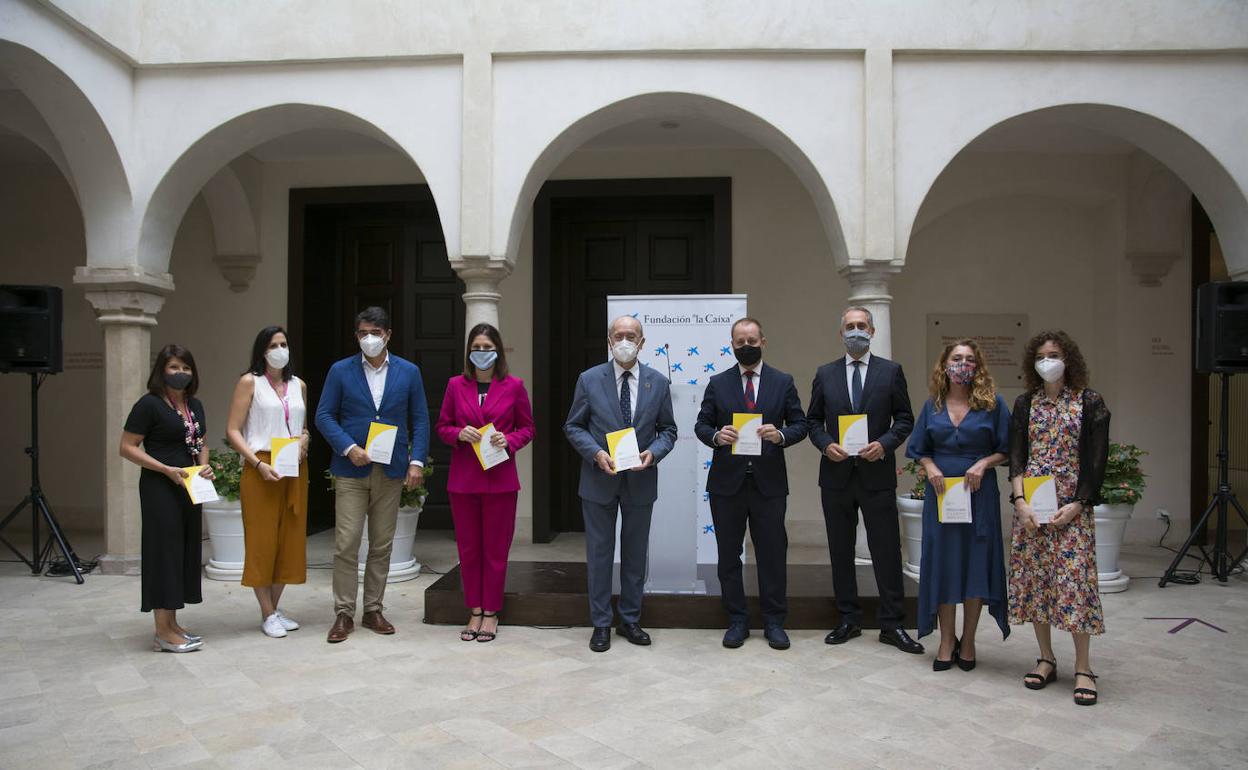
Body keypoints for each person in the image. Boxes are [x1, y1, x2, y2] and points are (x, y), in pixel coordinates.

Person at [807, 306, 923, 654]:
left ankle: (892, 623)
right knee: (841, 551)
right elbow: (812, 422)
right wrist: (826, 445)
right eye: (849, 326)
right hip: (836, 475)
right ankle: (848, 619)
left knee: (886, 549)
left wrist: (884, 444)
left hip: (876, 475)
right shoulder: (825, 374)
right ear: (840, 334)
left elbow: (904, 419)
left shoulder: (891, 372)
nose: (856, 331)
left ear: (872, 332)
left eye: (861, 326)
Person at [314, 306, 430, 643]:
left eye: (376, 334)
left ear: (388, 335)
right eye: (364, 333)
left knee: (381, 543)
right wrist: (348, 447)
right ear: (356, 335)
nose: (369, 339)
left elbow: (420, 419)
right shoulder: (340, 371)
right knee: (346, 542)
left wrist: (417, 462)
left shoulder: (408, 372)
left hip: (391, 468)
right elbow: (324, 415)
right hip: (351, 468)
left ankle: (374, 609)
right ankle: (343, 613)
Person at [564, 315, 677, 652]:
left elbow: (668, 430)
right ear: (609, 341)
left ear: (642, 343)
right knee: (599, 555)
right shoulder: (589, 379)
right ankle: (600, 623)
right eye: (619, 335)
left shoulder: (657, 382)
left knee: (634, 554)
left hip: (640, 481)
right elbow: (574, 426)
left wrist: (653, 454)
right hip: (600, 479)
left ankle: (630, 619)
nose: (625, 341)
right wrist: (596, 453)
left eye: (632, 335)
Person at [1008, 330, 1110, 706]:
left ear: (1069, 359)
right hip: (1033, 506)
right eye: (1040, 355)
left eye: (1054, 354)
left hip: (1071, 507)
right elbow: (1017, 455)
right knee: (1037, 582)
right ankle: (1046, 658)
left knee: (1075, 584)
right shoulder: (1025, 404)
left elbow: (1097, 460)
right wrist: (1020, 501)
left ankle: (1083, 667)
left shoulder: (1090, 402)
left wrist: (1079, 504)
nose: (1047, 361)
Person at [694, 317, 807, 650]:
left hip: (769, 483)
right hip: (726, 484)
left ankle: (774, 621)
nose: (746, 346)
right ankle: (737, 620)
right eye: (740, 341)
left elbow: (800, 423)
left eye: (752, 341)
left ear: (763, 342)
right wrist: (716, 435)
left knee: (772, 553)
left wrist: (781, 434)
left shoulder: (782, 382)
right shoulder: (718, 382)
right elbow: (702, 425)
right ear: (732, 344)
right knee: (729, 555)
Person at [905, 339, 1010, 671]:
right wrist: (931, 466)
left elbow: (1008, 449)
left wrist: (984, 463)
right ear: (945, 364)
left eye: (968, 359)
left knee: (975, 566)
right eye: (956, 358)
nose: (962, 364)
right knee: (945, 566)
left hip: (979, 496)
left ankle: (970, 640)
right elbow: (918, 448)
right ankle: (946, 640)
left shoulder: (993, 404)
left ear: (977, 366)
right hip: (941, 497)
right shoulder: (932, 406)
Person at [435, 323, 535, 643]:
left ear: (498, 351)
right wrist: (457, 434)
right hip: (463, 481)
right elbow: (443, 426)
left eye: (487, 347)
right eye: (476, 347)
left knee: (495, 550)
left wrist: (510, 439)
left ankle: (491, 612)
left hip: (501, 480)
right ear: (469, 352)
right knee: (469, 549)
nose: (482, 353)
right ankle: (474, 609)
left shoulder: (514, 386)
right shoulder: (455, 385)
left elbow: (528, 428)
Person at [119, 344, 214, 653]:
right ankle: (162, 631)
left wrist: (203, 466)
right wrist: (165, 469)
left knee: (183, 552)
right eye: (174, 367)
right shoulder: (148, 405)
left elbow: (202, 441)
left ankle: (172, 624)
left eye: (185, 368)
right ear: (161, 371)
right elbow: (127, 447)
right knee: (164, 552)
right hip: (160, 486)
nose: (180, 373)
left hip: (189, 487)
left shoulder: (194, 404)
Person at [225, 326, 310, 638]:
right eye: (274, 344)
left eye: (284, 343)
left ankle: (274, 609)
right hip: (261, 464)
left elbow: (301, 426)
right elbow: (233, 430)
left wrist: (304, 439)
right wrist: (257, 463)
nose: (280, 349)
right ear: (262, 350)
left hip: (293, 464)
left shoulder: (298, 384)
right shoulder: (250, 382)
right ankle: (267, 611)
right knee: (262, 541)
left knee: (290, 538)